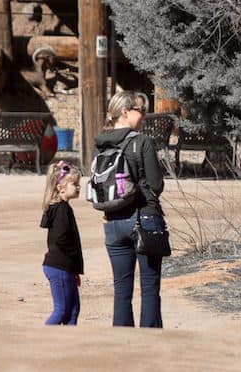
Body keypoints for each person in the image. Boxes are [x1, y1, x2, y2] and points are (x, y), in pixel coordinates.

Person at [95, 90, 166, 328]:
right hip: (145, 218)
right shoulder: (142, 142)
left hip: (113, 222)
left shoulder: (101, 144)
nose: (145, 115)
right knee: (149, 286)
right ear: (125, 112)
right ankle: (151, 346)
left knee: (122, 289)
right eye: (141, 110)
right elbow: (156, 184)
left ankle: (122, 347)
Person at [40, 160, 84, 325]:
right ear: (61, 188)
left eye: (79, 183)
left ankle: (67, 345)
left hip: (65, 267)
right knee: (62, 310)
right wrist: (70, 266)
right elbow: (61, 239)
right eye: (75, 184)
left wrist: (74, 271)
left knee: (73, 310)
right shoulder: (61, 209)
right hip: (59, 266)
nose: (78, 187)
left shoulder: (63, 208)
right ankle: (42, 340)